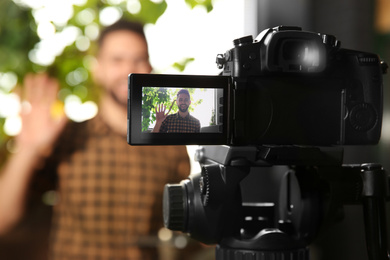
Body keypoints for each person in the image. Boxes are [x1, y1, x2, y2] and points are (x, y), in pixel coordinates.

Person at [0, 20, 193, 260]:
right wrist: (27, 149)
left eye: (138, 59)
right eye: (117, 60)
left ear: (149, 67)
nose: (129, 70)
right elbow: (3, 219)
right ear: (97, 68)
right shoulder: (68, 138)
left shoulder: (170, 146)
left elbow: (190, 227)